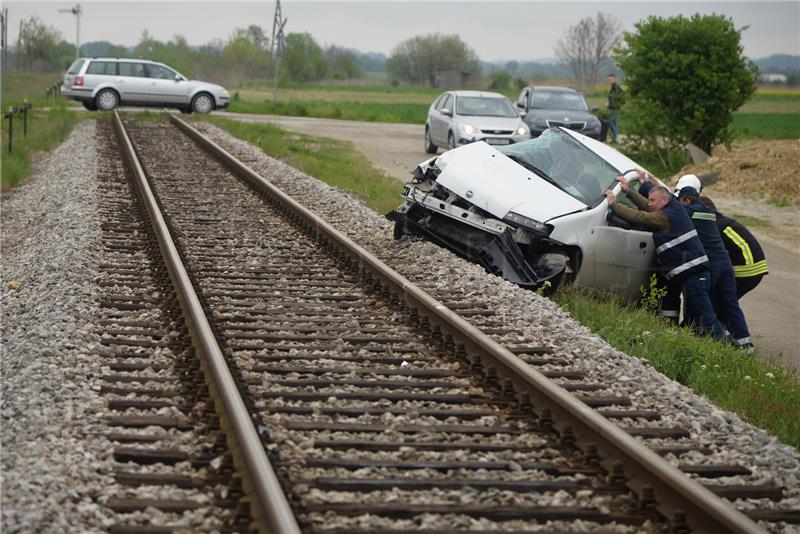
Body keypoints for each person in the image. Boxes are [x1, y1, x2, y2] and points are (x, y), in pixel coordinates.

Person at [604, 174, 726, 339]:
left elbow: (641, 216)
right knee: (695, 314)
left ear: (664, 200)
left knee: (706, 316)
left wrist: (614, 204)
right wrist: (629, 191)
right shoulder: (673, 206)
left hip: (694, 276)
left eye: (653, 200)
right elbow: (648, 207)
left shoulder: (664, 217)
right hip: (691, 274)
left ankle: (724, 345)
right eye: (650, 199)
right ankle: (675, 336)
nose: (650, 203)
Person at [677, 187, 753, 351]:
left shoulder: (691, 211)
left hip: (711, 265)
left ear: (687, 200)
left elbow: (671, 207)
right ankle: (745, 344)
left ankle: (716, 341)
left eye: (681, 200)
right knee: (730, 304)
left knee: (703, 301)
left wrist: (647, 185)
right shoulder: (709, 211)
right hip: (725, 264)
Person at [701, 196, 768, 298]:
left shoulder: (712, 226)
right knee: (725, 303)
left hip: (745, 269)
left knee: (718, 302)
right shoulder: (723, 221)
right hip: (757, 268)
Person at [606, 74, 624, 142]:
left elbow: (616, 98)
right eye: (609, 80)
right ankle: (614, 138)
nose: (610, 81)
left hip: (615, 107)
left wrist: (609, 103)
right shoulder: (614, 86)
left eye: (611, 79)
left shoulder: (615, 87)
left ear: (614, 79)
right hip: (614, 107)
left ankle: (615, 136)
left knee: (610, 121)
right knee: (613, 122)